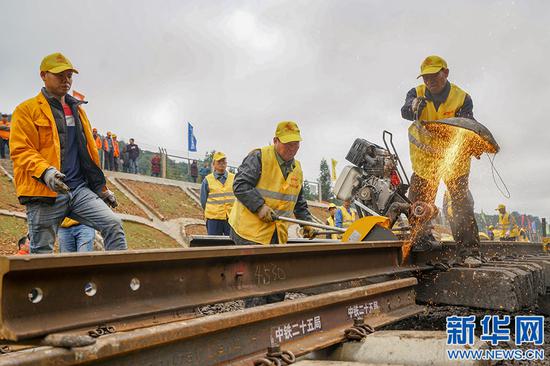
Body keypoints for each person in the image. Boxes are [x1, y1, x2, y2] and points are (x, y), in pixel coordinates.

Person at [9, 52, 127, 254]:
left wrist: (101, 189)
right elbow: (21, 150)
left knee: (114, 225)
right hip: (45, 193)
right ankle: (38, 286)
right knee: (41, 251)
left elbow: (86, 154)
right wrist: (46, 172)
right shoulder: (26, 110)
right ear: (43, 75)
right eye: (60, 75)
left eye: (69, 75)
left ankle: (117, 282)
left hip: (79, 190)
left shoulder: (78, 110)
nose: (66, 80)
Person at [401, 55, 480, 264]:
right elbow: (405, 110)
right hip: (425, 162)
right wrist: (413, 106)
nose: (430, 81)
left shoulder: (462, 98)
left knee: (461, 205)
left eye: (434, 76)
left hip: (454, 161)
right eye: (426, 77)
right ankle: (421, 243)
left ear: (445, 73)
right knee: (418, 202)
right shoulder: (415, 93)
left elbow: (468, 125)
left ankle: (469, 252)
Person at [229, 121, 316, 307]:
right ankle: (255, 326)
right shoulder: (259, 157)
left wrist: (306, 223)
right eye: (288, 144)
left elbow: (299, 202)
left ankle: (274, 323)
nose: (293, 148)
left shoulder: (297, 169)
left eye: (296, 144)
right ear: (276, 140)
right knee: (258, 286)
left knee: (277, 284)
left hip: (277, 233)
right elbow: (240, 185)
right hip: (250, 231)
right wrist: (260, 207)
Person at [200, 152, 235, 235]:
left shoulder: (234, 178)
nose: (222, 164)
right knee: (214, 244)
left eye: (224, 162)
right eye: (219, 162)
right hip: (213, 219)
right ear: (213, 164)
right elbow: (203, 200)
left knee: (232, 244)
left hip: (231, 217)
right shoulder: (207, 180)